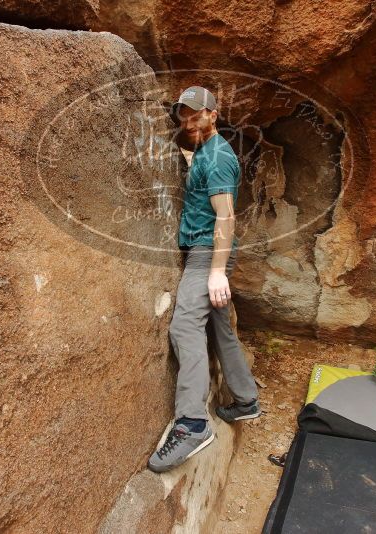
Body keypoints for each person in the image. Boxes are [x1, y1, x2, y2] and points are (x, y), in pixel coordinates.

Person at [147, 86, 261, 473]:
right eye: (184, 115)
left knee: (184, 326)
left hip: (207, 253)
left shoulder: (218, 159)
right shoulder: (206, 150)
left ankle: (193, 424)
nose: (189, 121)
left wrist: (215, 271)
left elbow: (226, 217)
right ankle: (245, 399)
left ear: (214, 113)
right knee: (220, 326)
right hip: (206, 252)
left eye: (197, 114)